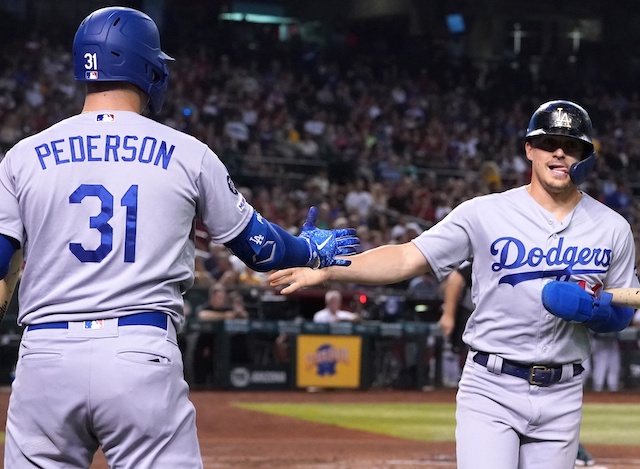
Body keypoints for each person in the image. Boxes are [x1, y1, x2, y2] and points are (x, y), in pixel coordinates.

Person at [0, 7, 358, 468]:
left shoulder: (23, 157)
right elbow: (259, 248)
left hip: (45, 354)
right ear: (147, 69)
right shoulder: (188, 153)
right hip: (138, 351)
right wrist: (310, 249)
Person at [270, 100, 638, 469]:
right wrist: (330, 269)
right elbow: (406, 258)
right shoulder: (484, 212)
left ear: (586, 156)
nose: (560, 152)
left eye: (572, 145)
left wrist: (596, 313)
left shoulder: (611, 228)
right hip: (492, 386)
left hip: (564, 391)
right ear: (529, 148)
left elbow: (622, 307)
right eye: (549, 142)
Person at [191, 283, 249, 387]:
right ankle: (201, 384)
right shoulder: (206, 307)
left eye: (223, 297)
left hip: (223, 347)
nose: (221, 300)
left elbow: (244, 317)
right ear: (212, 297)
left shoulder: (228, 308)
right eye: (218, 297)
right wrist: (224, 316)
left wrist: (238, 311)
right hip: (206, 345)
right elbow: (203, 315)